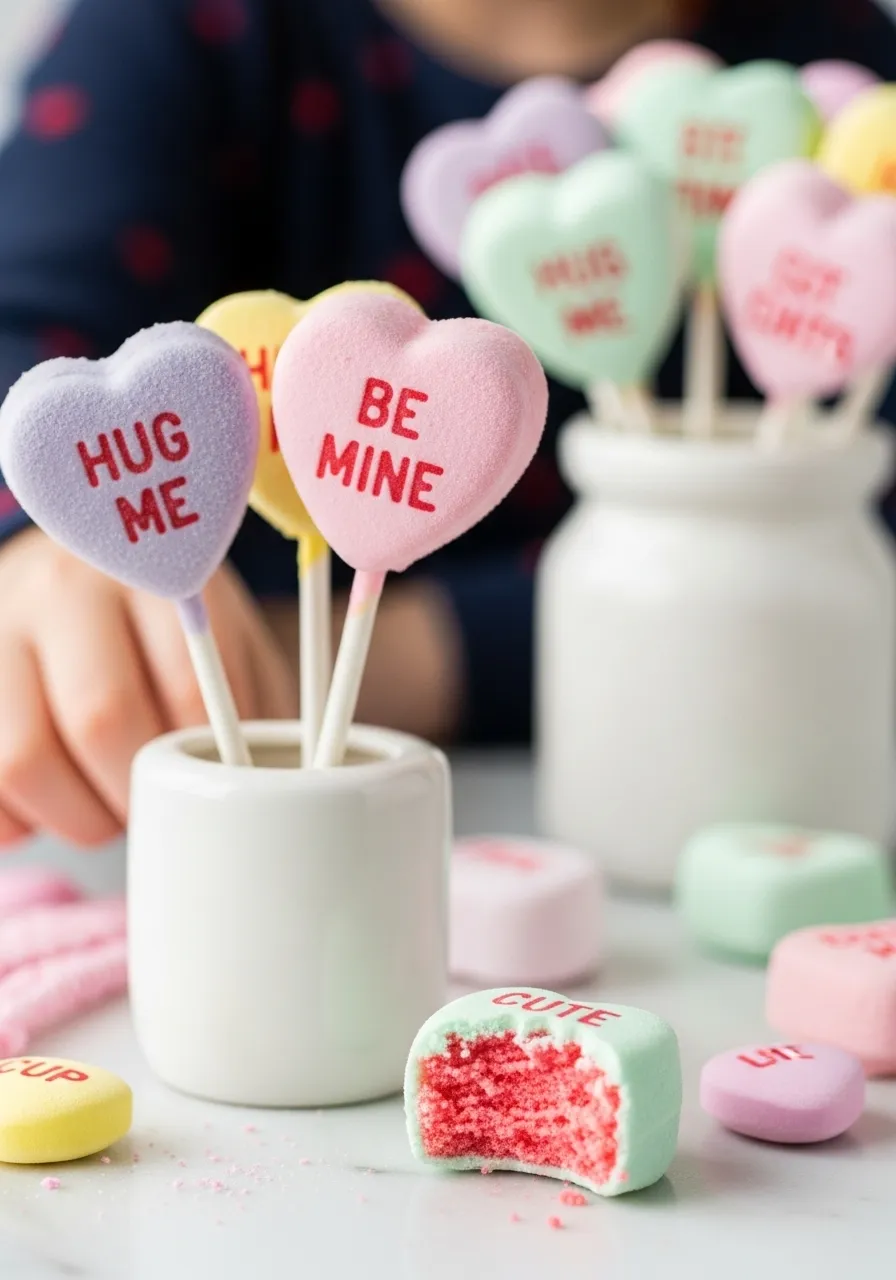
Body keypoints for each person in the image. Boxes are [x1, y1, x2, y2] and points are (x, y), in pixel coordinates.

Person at [0, 0, 895, 849]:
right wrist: (33, 552)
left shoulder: (848, 96)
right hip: (203, 839)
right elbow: (36, 354)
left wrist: (387, 655)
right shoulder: (185, 28)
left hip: (742, 817)